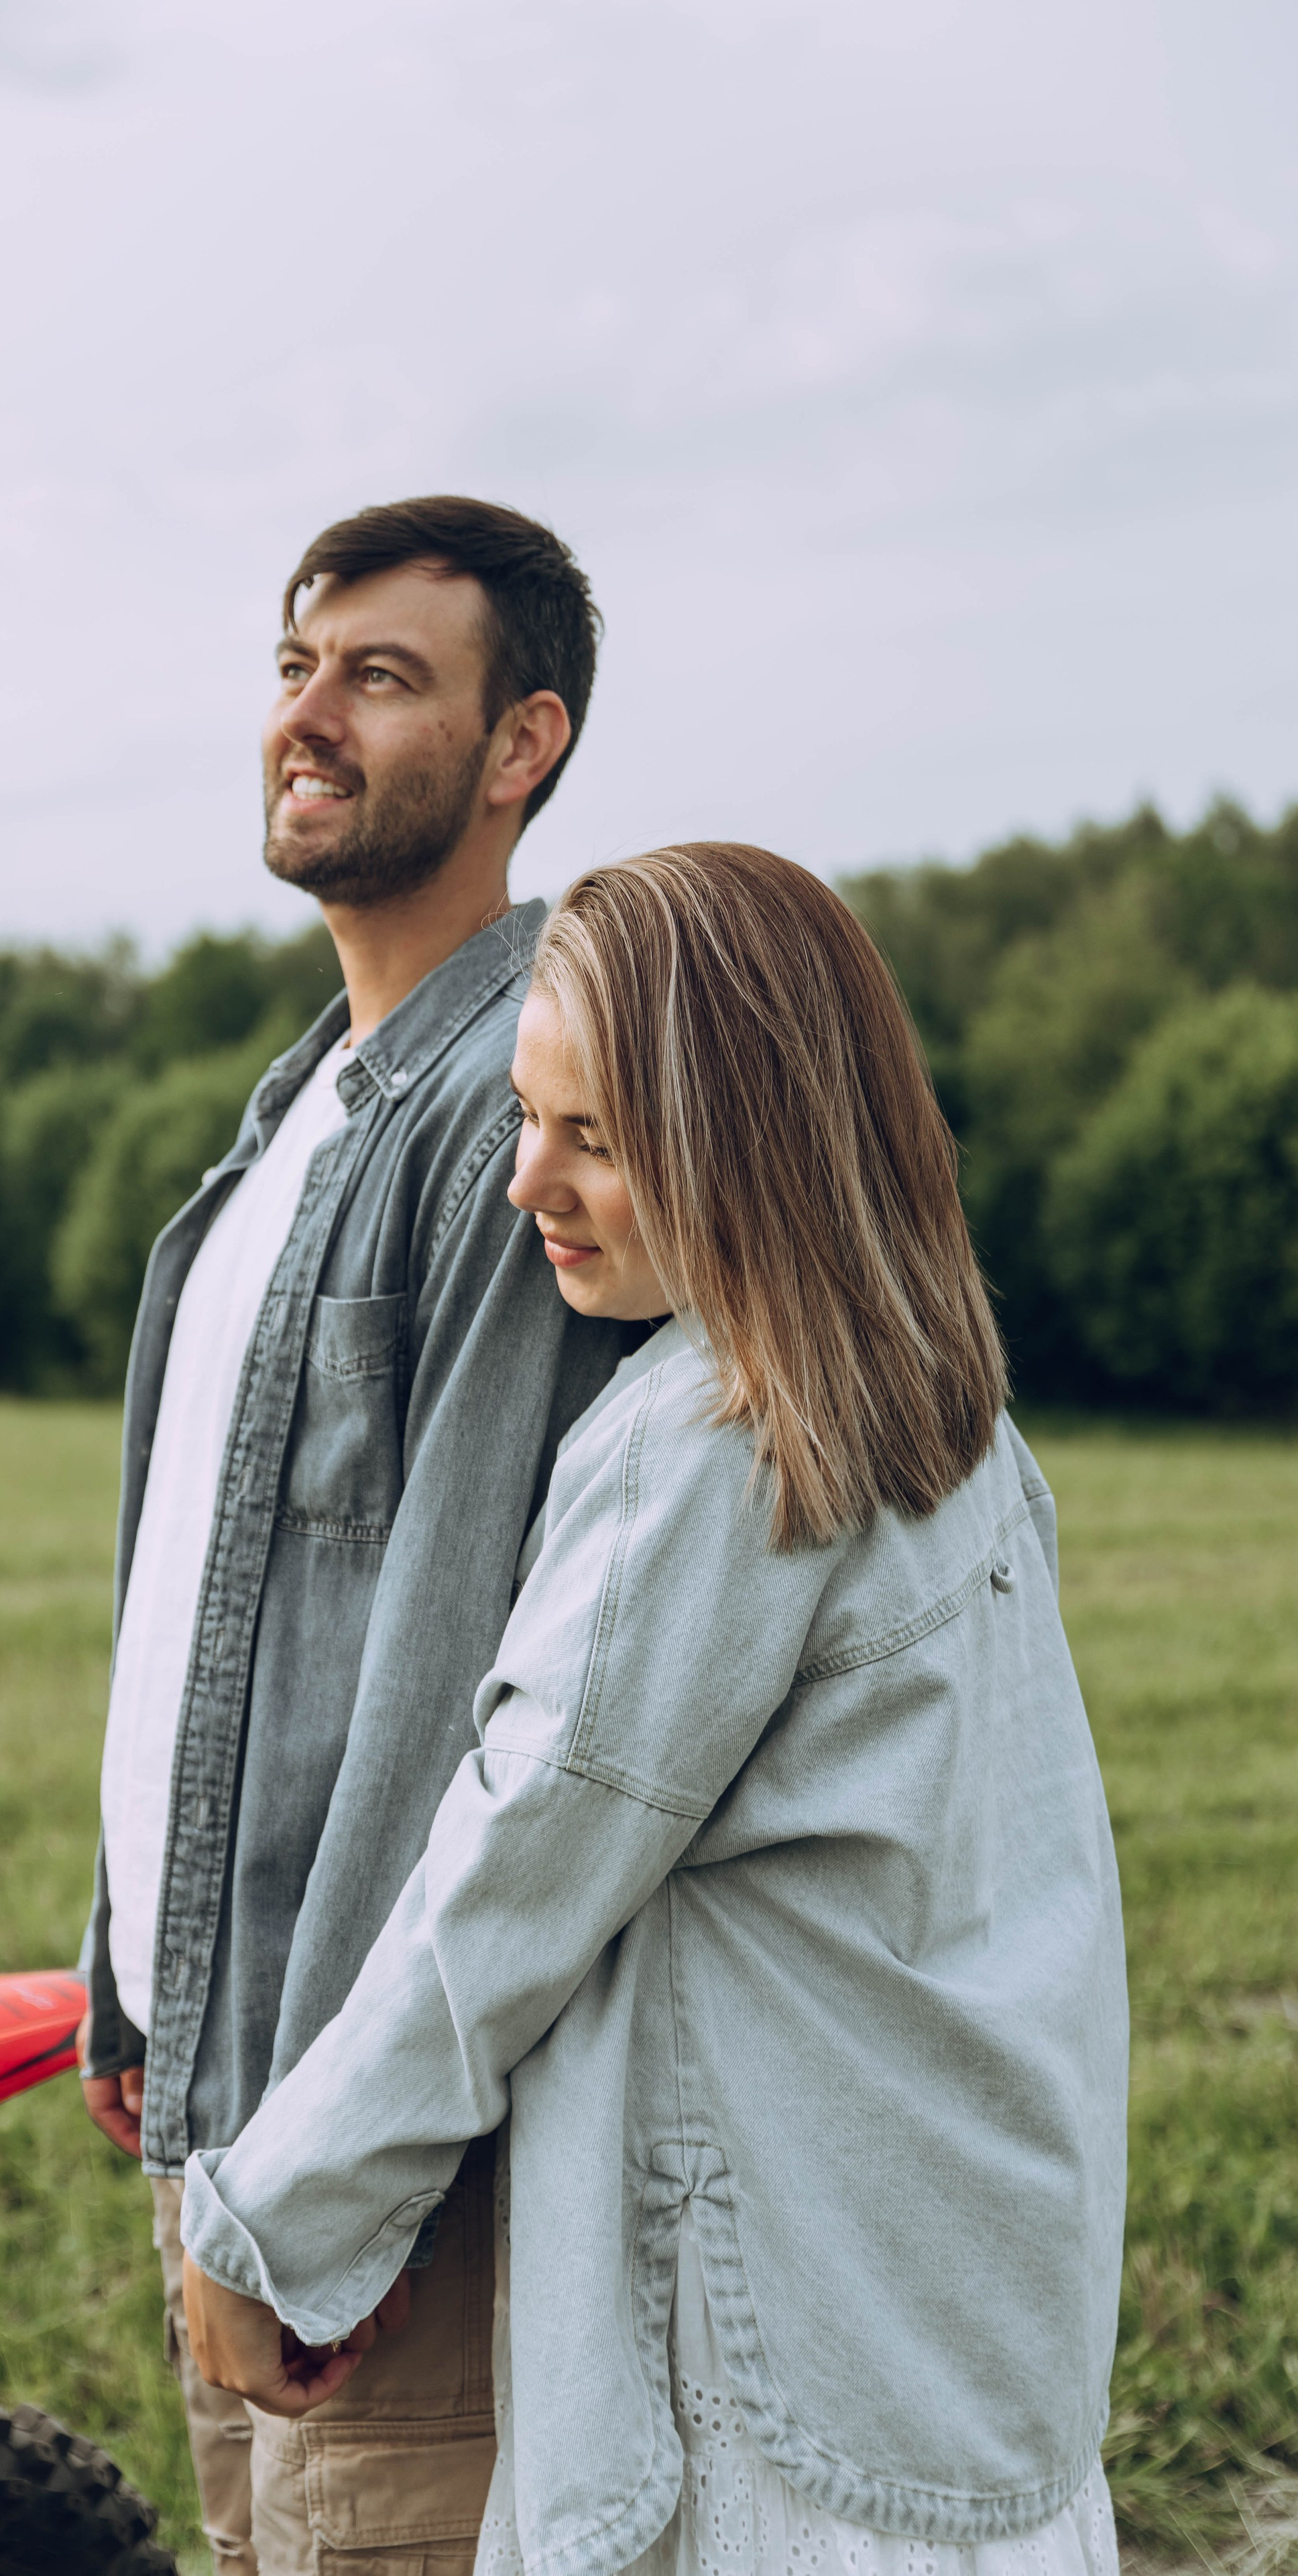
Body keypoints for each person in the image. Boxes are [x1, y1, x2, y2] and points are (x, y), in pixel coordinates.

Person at [178, 844, 1130, 2576]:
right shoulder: (948, 1404)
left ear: (746, 1139)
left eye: (594, 1135)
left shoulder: (710, 1444)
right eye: (528, 1117)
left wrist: (269, 2222)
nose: (524, 1177)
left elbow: (509, 1880)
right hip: (959, 2300)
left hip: (785, 2339)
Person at [78, 497, 634, 2575]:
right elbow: (206, 1616)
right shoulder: (302, 1101)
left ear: (522, 747)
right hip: (230, 2095)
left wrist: (337, 2169)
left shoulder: (516, 1098)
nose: (306, 714)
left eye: (381, 675)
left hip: (359, 2151)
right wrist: (132, 1978)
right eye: (297, 665)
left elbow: (455, 1675)